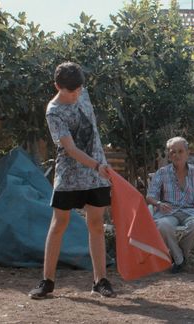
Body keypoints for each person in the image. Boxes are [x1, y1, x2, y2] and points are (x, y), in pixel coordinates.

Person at [29, 62, 116, 299]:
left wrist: (99, 166)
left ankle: (100, 281)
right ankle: (47, 281)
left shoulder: (81, 91)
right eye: (71, 91)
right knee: (59, 224)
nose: (76, 94)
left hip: (96, 175)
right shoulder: (53, 111)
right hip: (69, 175)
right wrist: (97, 166)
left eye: (78, 89)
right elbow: (70, 148)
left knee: (96, 225)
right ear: (58, 86)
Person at [146, 136, 194, 273]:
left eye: (180, 151)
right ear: (169, 155)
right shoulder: (162, 173)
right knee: (163, 225)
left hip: (192, 211)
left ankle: (178, 255)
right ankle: (180, 259)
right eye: (172, 152)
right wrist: (158, 203)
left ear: (188, 153)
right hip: (169, 211)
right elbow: (150, 196)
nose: (176, 155)